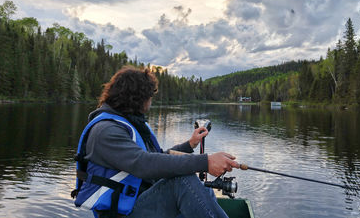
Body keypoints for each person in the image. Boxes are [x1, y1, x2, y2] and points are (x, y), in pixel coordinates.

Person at [72, 65, 239, 218]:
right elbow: (144, 163)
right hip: (121, 214)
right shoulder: (106, 131)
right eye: (149, 97)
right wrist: (205, 162)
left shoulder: (128, 124)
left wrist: (190, 144)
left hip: (139, 203)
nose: (150, 103)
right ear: (137, 98)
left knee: (196, 189)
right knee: (183, 180)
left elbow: (157, 157)